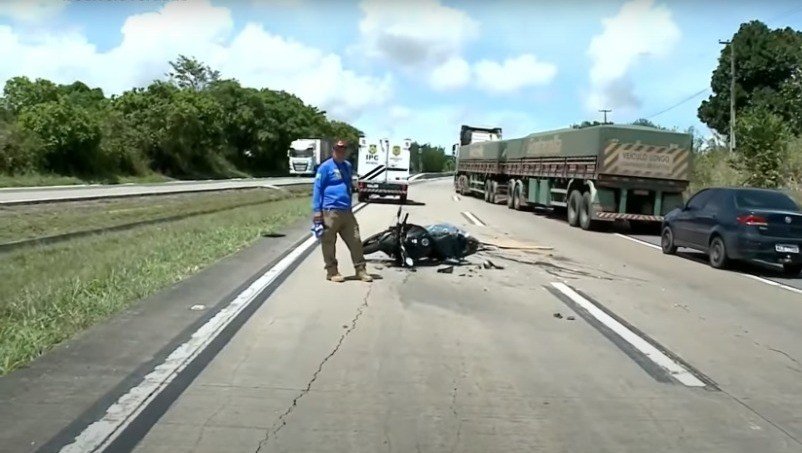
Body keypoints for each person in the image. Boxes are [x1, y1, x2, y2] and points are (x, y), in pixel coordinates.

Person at [312, 140, 373, 283]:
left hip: (347, 212)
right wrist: (317, 211)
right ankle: (332, 271)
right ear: (333, 150)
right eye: (338, 150)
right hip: (330, 211)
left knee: (356, 240)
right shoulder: (325, 167)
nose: (341, 152)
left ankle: (361, 270)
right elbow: (317, 189)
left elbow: (347, 185)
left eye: (343, 150)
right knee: (328, 243)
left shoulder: (347, 166)